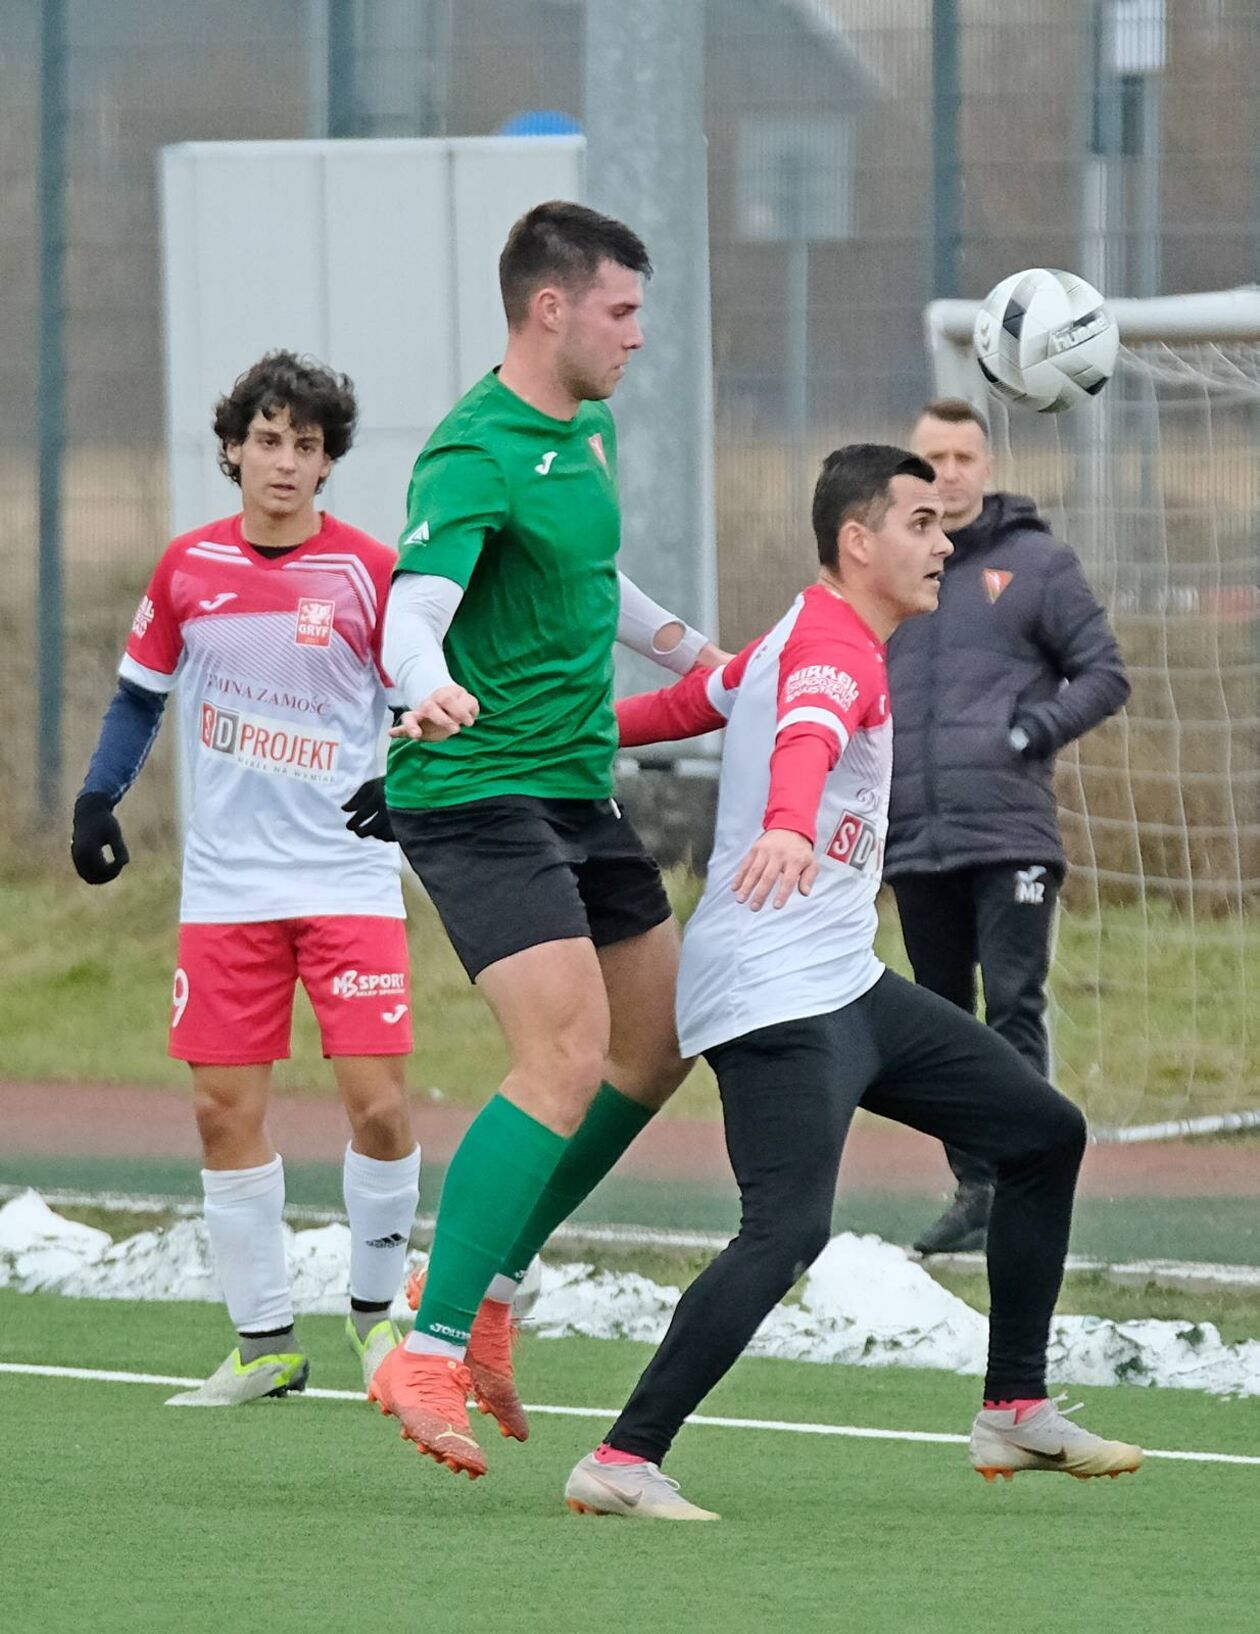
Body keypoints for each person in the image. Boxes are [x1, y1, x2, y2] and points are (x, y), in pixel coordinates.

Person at [561, 444, 1142, 1521]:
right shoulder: (840, 650)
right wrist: (787, 822)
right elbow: (808, 730)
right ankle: (623, 1457)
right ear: (858, 541)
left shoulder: (795, 630)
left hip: (839, 981)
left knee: (1042, 1131)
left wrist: (565, 734)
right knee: (785, 1230)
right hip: (774, 991)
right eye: (922, 522)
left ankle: (1014, 1405)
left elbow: (701, 701)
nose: (945, 542)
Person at [366, 200, 728, 1479]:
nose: (640, 334)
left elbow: (585, 571)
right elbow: (415, 607)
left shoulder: (587, 428)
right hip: (474, 787)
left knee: (661, 1034)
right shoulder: (470, 449)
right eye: (622, 311)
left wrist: (689, 650)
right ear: (550, 309)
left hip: (576, 784)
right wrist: (423, 679)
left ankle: (499, 1281)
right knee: (565, 1050)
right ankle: (427, 1339)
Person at [70, 351, 422, 1405]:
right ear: (234, 448)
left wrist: (411, 778)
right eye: (267, 438)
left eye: (306, 445)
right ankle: (265, 1339)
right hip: (226, 891)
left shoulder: (370, 569)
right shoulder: (186, 570)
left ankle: (377, 1320)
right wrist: (97, 798)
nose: (284, 459)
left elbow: (429, 695)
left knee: (382, 1110)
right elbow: (139, 700)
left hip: (349, 881)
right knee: (223, 1111)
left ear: (327, 465)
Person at [887, 398, 1130, 1257]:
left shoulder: (1037, 563)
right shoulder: (887, 566)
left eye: (963, 456)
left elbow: (1104, 674)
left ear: (985, 467)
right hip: (913, 837)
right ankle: (976, 1190)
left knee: (1013, 1007)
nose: (948, 472)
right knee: (943, 1019)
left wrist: (1028, 733)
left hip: (1012, 834)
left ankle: (1031, 1184)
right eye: (932, 457)